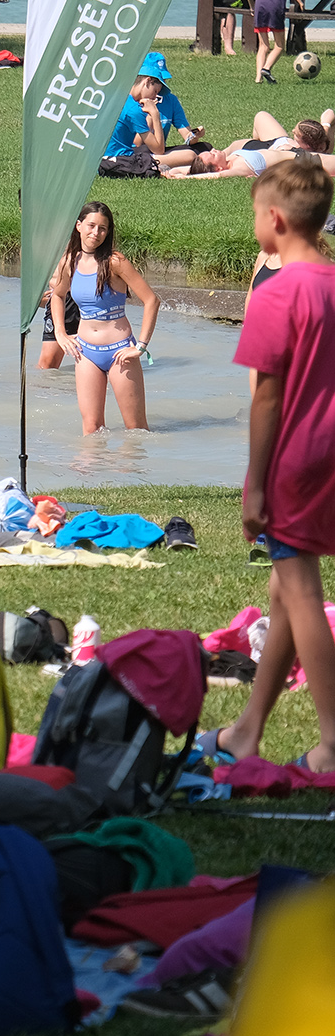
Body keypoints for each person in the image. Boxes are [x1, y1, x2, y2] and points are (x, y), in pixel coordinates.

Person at [199, 161, 335, 773]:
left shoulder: (275, 292)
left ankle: (332, 742)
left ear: (275, 219)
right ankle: (246, 731)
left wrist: (253, 484)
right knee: (285, 589)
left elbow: (266, 397)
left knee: (301, 591)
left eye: (255, 213)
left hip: (298, 459)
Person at [45, 200, 159, 434]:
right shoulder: (70, 261)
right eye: (91, 226)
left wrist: (141, 346)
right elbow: (57, 295)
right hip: (85, 352)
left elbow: (151, 300)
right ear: (79, 226)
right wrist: (60, 333)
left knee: (136, 430)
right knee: (91, 429)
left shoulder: (115, 262)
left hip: (120, 352)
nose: (96, 233)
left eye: (103, 228)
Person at [107, 55, 202, 163]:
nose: (155, 96)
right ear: (147, 81)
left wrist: (194, 136)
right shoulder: (134, 109)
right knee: (190, 156)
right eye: (155, 91)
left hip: (116, 157)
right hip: (123, 159)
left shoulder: (120, 98)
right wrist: (154, 114)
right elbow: (157, 150)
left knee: (198, 150)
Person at [170, 116, 331, 179]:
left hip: (292, 152)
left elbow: (192, 170)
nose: (213, 150)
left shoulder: (230, 160)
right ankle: (325, 130)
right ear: (218, 168)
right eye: (212, 155)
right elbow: (215, 176)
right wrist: (185, 179)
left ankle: (326, 130)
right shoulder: (239, 168)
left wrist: (173, 171)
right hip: (304, 161)